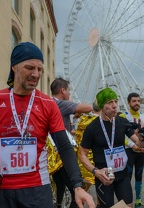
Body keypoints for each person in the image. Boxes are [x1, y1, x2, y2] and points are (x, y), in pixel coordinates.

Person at [0, 42, 95, 208]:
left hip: (37, 190)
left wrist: (77, 185)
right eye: (29, 68)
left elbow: (64, 146)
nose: (35, 74)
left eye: (40, 69)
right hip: (0, 187)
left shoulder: (48, 104)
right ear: (14, 67)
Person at [79, 88, 144, 208]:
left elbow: (139, 144)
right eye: (110, 103)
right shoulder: (92, 127)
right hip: (104, 176)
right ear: (101, 106)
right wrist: (95, 171)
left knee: (127, 206)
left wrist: (142, 138)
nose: (115, 106)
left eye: (116, 101)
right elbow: (82, 154)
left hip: (122, 174)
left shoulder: (122, 122)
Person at [50, 77, 93, 208]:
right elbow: (88, 108)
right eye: (68, 90)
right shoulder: (61, 104)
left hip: (51, 154)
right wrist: (75, 107)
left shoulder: (50, 103)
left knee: (59, 184)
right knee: (76, 187)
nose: (69, 94)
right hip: (61, 153)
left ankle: (58, 204)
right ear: (62, 90)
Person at [119, 93, 144, 207]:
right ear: (129, 103)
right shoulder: (123, 116)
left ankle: (138, 200)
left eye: (138, 101)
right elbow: (122, 136)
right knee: (128, 177)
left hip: (141, 152)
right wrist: (133, 145)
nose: (137, 103)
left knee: (139, 176)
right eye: (134, 101)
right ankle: (127, 200)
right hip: (129, 151)